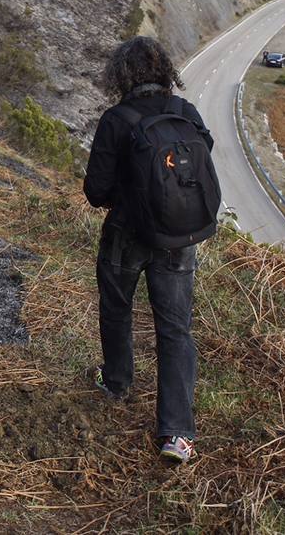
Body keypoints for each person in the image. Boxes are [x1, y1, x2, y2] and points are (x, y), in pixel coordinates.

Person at [82, 36, 212, 464]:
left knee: (117, 308)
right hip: (179, 238)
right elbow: (201, 157)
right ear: (165, 72)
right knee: (175, 329)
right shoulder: (185, 113)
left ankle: (117, 382)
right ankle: (176, 433)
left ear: (120, 75)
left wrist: (127, 191)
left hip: (127, 233)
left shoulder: (116, 120)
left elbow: (95, 190)